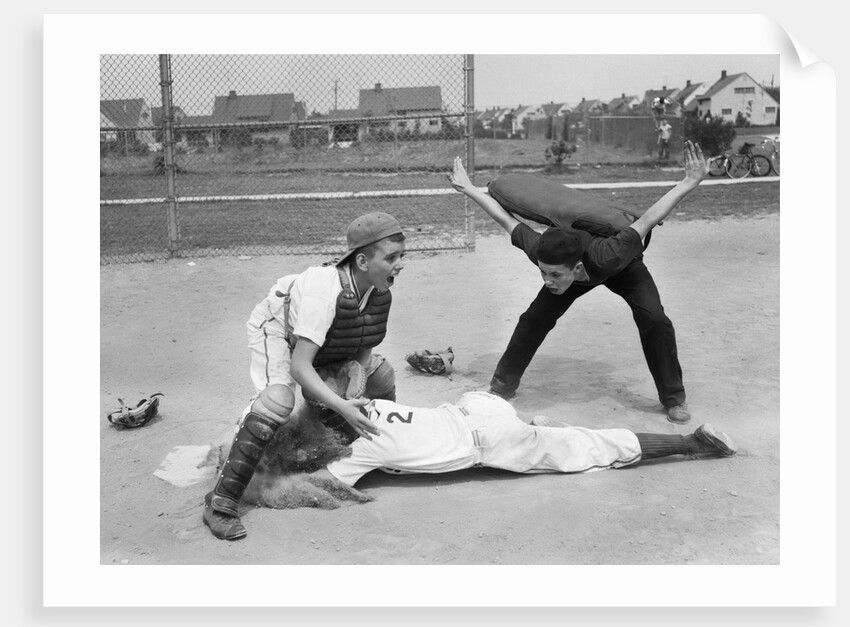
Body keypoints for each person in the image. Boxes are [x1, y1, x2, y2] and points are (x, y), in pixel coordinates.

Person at [446, 142, 710, 425]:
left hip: (624, 268)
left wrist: (688, 182)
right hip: (573, 266)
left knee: (655, 319)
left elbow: (648, 218)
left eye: (554, 275)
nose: (548, 281)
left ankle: (673, 397)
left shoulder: (610, 255)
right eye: (543, 273)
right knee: (533, 318)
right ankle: (501, 387)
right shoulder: (542, 251)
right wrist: (469, 188)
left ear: (578, 268)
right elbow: (503, 218)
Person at [203, 211, 407, 541]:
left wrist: (352, 392)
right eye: (391, 257)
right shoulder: (322, 295)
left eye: (402, 256)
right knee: (279, 401)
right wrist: (341, 406)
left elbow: (362, 349)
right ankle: (221, 501)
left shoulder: (378, 291)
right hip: (278, 329)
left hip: (317, 337)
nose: (400, 264)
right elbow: (300, 366)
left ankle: (373, 448)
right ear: (362, 261)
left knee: (380, 375)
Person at [294, 361, 736, 490]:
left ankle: (693, 444)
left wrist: (270, 477)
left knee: (595, 448)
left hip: (493, 440)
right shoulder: (369, 405)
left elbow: (323, 484)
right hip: (478, 407)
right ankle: (543, 428)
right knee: (555, 436)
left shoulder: (361, 451)